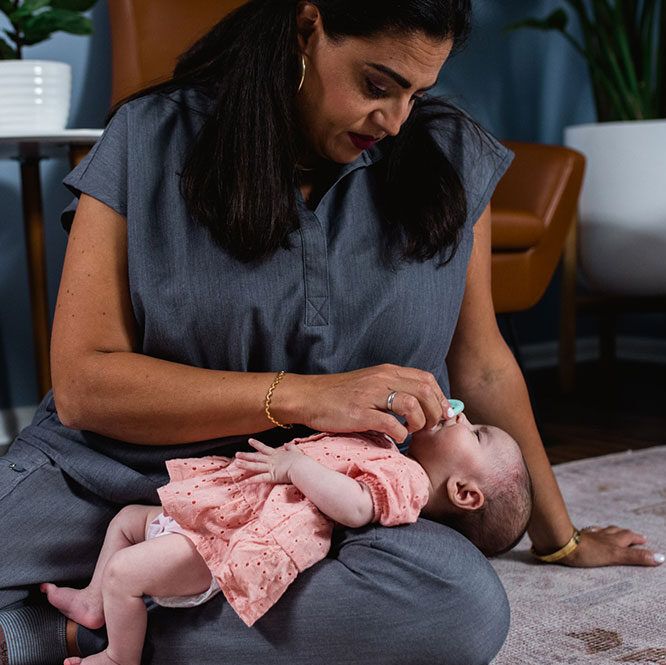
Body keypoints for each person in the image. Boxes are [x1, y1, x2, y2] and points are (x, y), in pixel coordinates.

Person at [1, 1, 661, 664]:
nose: (397, 119)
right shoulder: (147, 138)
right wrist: (306, 395)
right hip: (123, 474)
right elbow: (86, 386)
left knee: (455, 604)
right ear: (308, 25)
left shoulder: (448, 156)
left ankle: (92, 628)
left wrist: (558, 535)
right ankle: (143, 595)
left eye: (416, 92)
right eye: (377, 85)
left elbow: (484, 364)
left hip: (325, 509)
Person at [39, 412, 533, 664]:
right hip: (231, 509)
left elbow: (358, 507)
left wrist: (295, 466)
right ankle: (91, 603)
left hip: (238, 538)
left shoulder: (410, 482)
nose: (462, 415)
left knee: (128, 573)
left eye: (477, 433)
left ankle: (117, 656)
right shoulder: (395, 451)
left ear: (465, 494)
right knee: (126, 519)